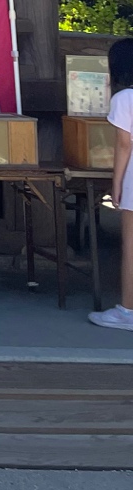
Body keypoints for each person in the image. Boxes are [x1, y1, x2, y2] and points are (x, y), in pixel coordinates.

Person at [91, 37, 133, 329]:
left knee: (131, 247)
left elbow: (124, 145)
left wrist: (115, 183)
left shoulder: (124, 99)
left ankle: (128, 310)